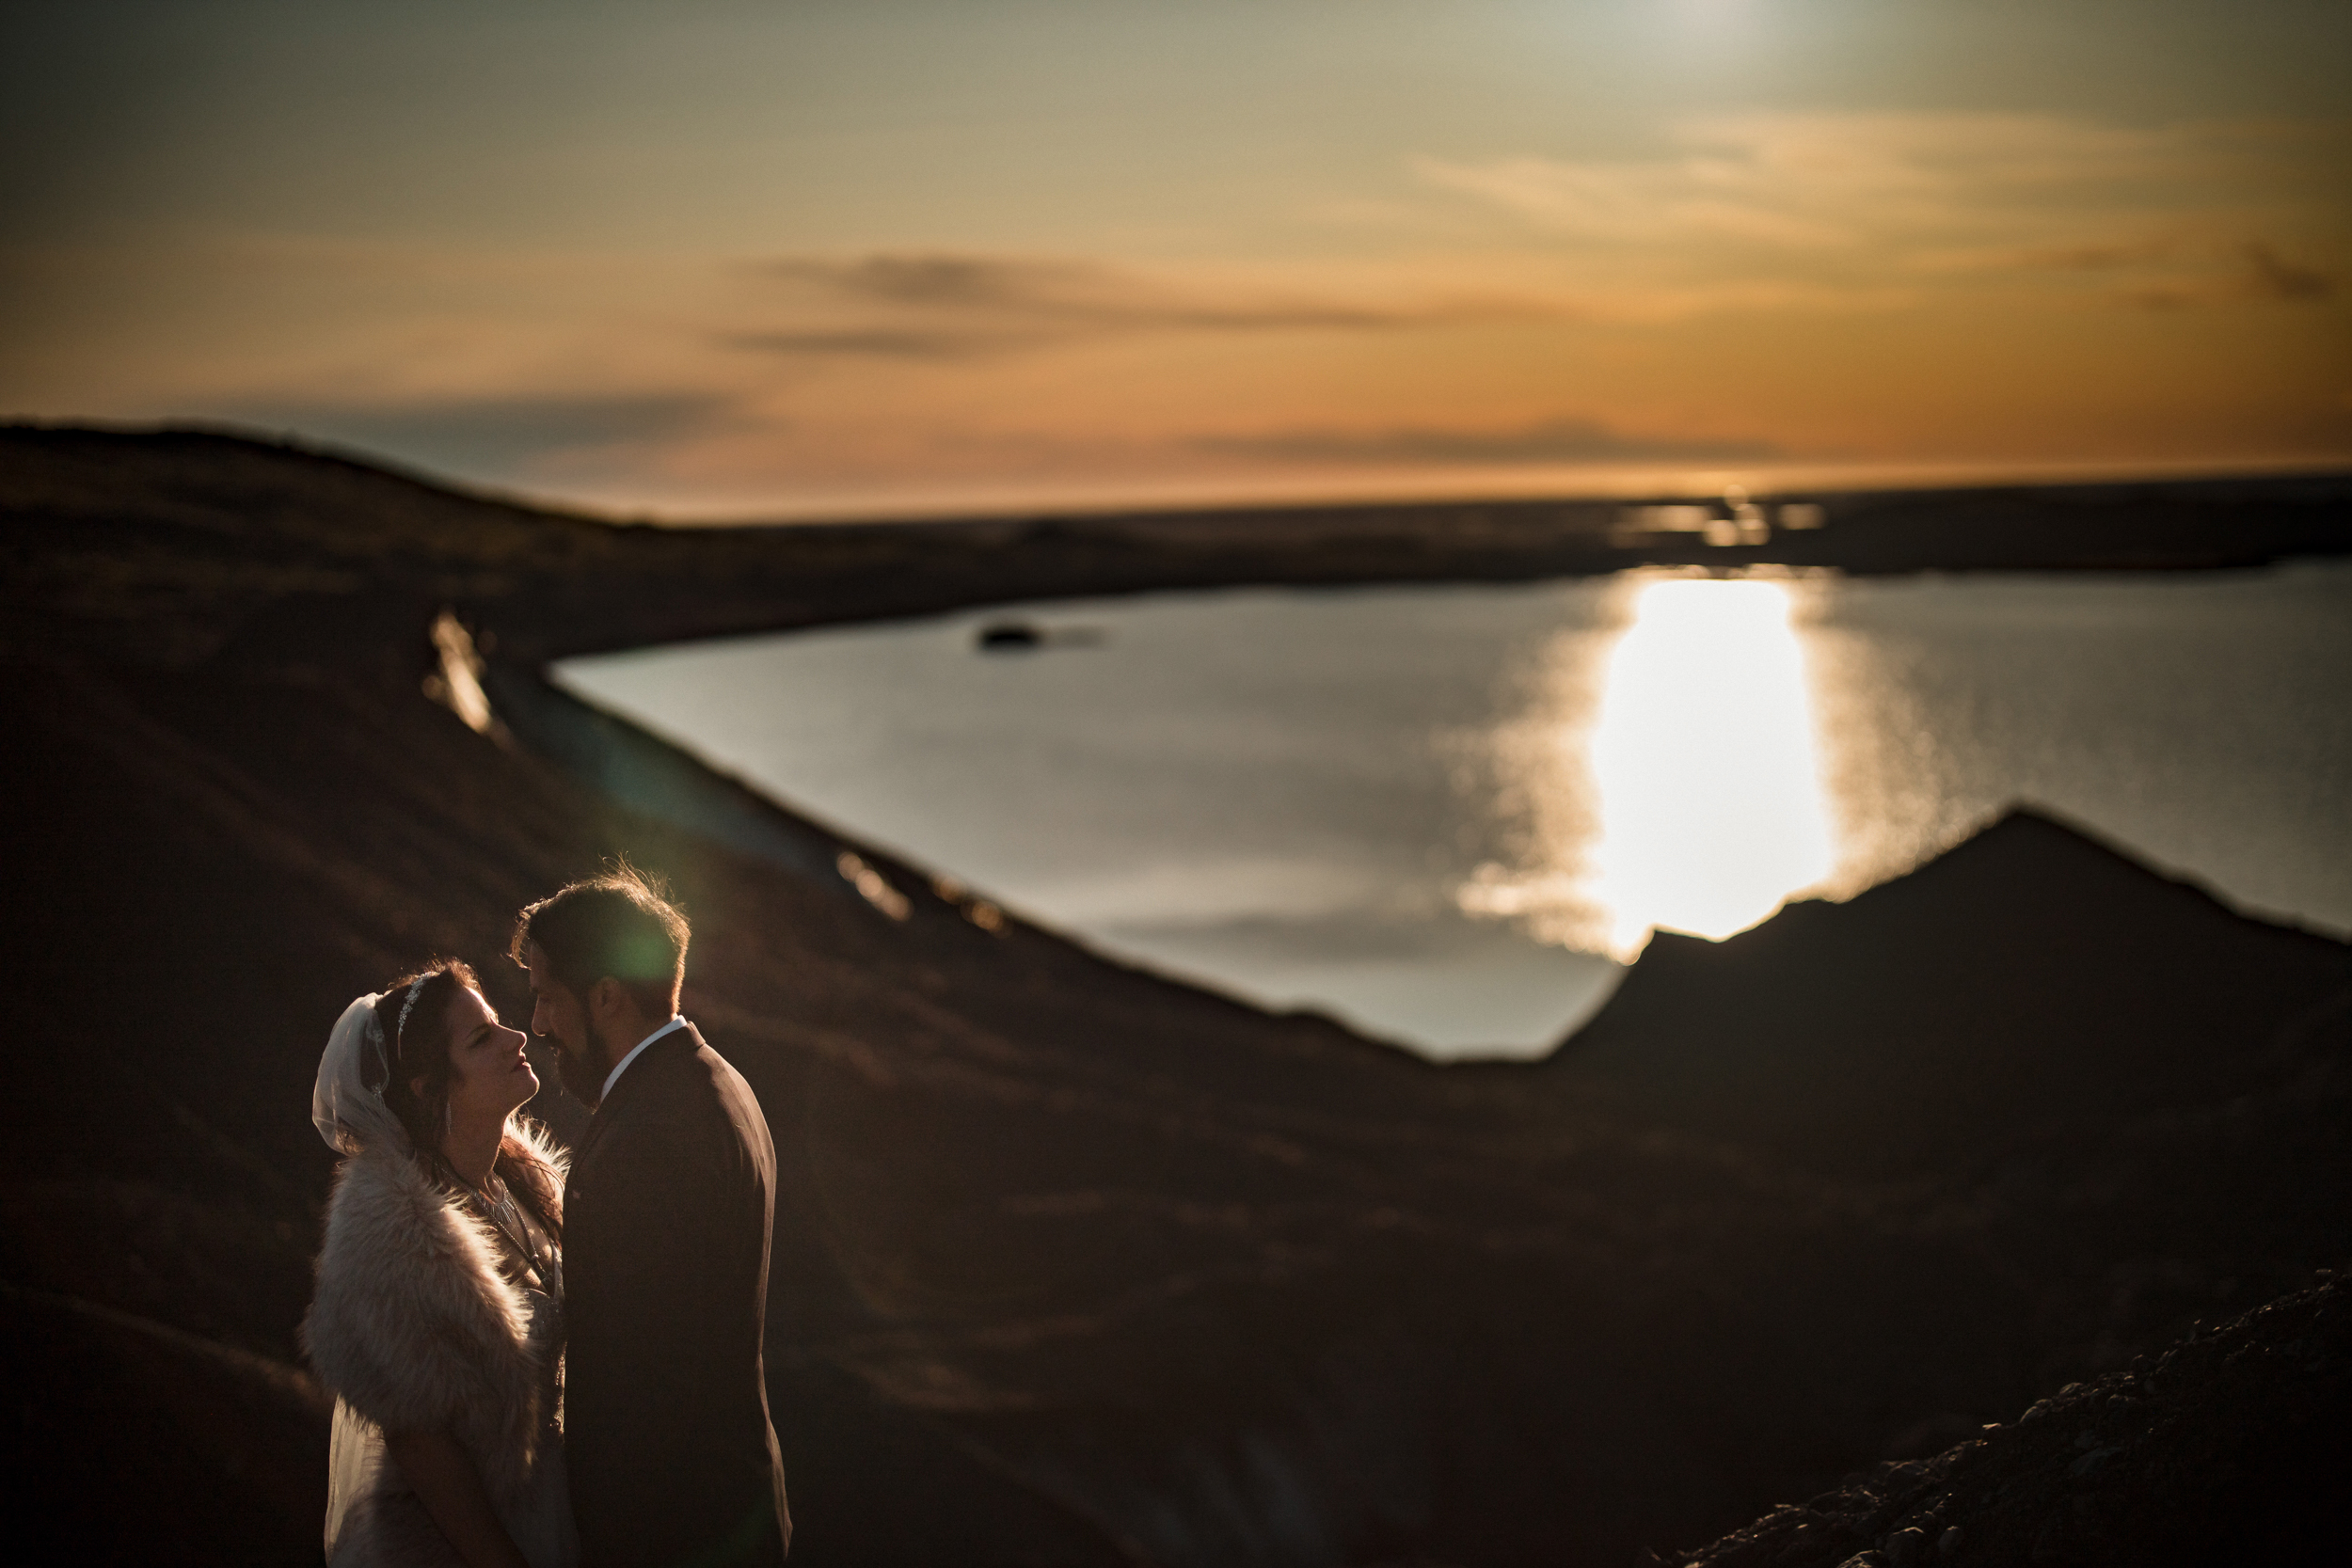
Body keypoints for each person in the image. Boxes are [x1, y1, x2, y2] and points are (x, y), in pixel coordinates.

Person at [512, 866, 791, 1566]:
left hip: (672, 1535)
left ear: (604, 996)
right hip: (729, 1507)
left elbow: (645, 1391)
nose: (538, 1023)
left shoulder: (645, 1142)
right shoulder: (722, 1082)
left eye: (547, 997)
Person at [305, 960, 579, 1568]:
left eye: (500, 1024)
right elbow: (430, 1461)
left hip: (557, 1510)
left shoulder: (519, 1181)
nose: (518, 1038)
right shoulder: (396, 1245)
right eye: (483, 1038)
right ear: (430, 1087)